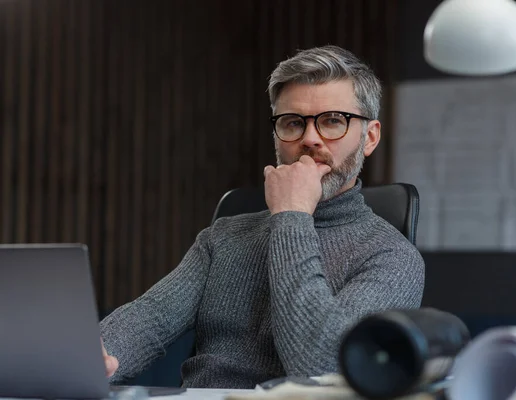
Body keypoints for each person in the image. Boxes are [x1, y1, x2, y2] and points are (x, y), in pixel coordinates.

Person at [100, 45, 425, 389]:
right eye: (293, 123)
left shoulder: (393, 257)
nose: (310, 139)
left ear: (369, 137)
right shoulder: (224, 237)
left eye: (333, 121)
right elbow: (150, 318)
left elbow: (320, 367)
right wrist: (97, 353)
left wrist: (292, 216)